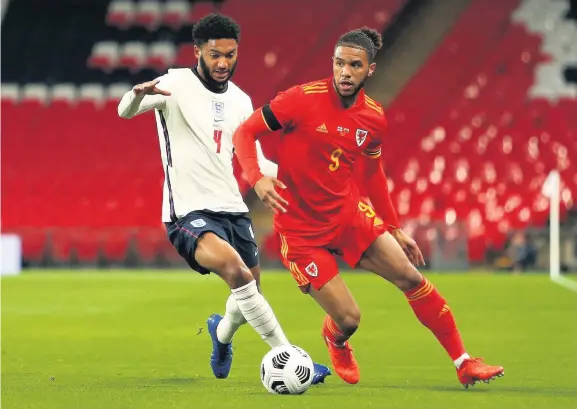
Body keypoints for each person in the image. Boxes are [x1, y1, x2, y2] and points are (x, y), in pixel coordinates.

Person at [233, 26, 504, 388]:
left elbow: (373, 176)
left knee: (411, 276)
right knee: (349, 319)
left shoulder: (373, 118)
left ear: (369, 70)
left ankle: (463, 362)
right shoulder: (299, 99)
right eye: (340, 64)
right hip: (301, 233)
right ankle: (336, 339)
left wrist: (392, 227)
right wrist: (257, 178)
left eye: (355, 65)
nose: (345, 72)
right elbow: (244, 132)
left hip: (348, 216)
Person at [117, 13, 330, 384]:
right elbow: (125, 112)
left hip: (233, 209)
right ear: (198, 51)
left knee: (251, 293)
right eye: (215, 54)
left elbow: (257, 160)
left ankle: (220, 335)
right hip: (187, 210)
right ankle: (293, 359)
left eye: (230, 55)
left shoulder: (241, 100)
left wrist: (302, 177)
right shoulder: (175, 84)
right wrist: (136, 94)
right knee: (237, 272)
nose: (222, 63)